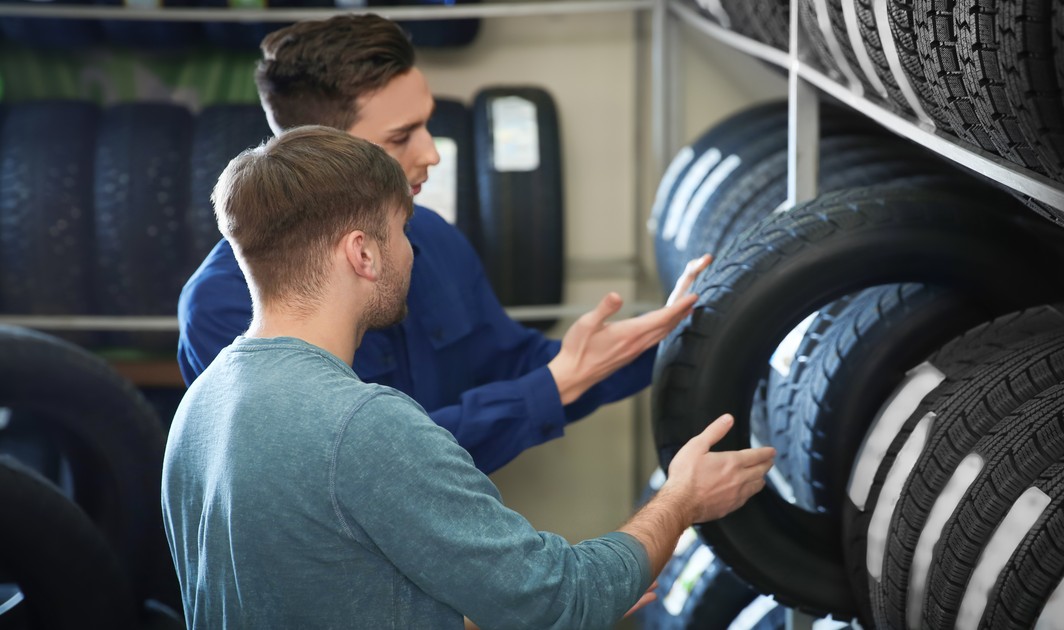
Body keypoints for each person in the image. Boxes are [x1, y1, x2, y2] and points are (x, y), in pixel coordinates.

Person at [161, 126, 774, 628]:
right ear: (363, 253)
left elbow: (315, 594)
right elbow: (557, 599)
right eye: (402, 232)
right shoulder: (364, 424)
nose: (410, 253)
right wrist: (681, 498)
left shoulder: (200, 407)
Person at [176, 14, 711, 474]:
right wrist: (554, 385)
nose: (432, 154)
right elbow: (364, 469)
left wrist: (666, 338)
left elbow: (513, 363)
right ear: (323, 150)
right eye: (401, 137)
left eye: (427, 125)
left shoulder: (427, 235)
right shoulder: (228, 306)